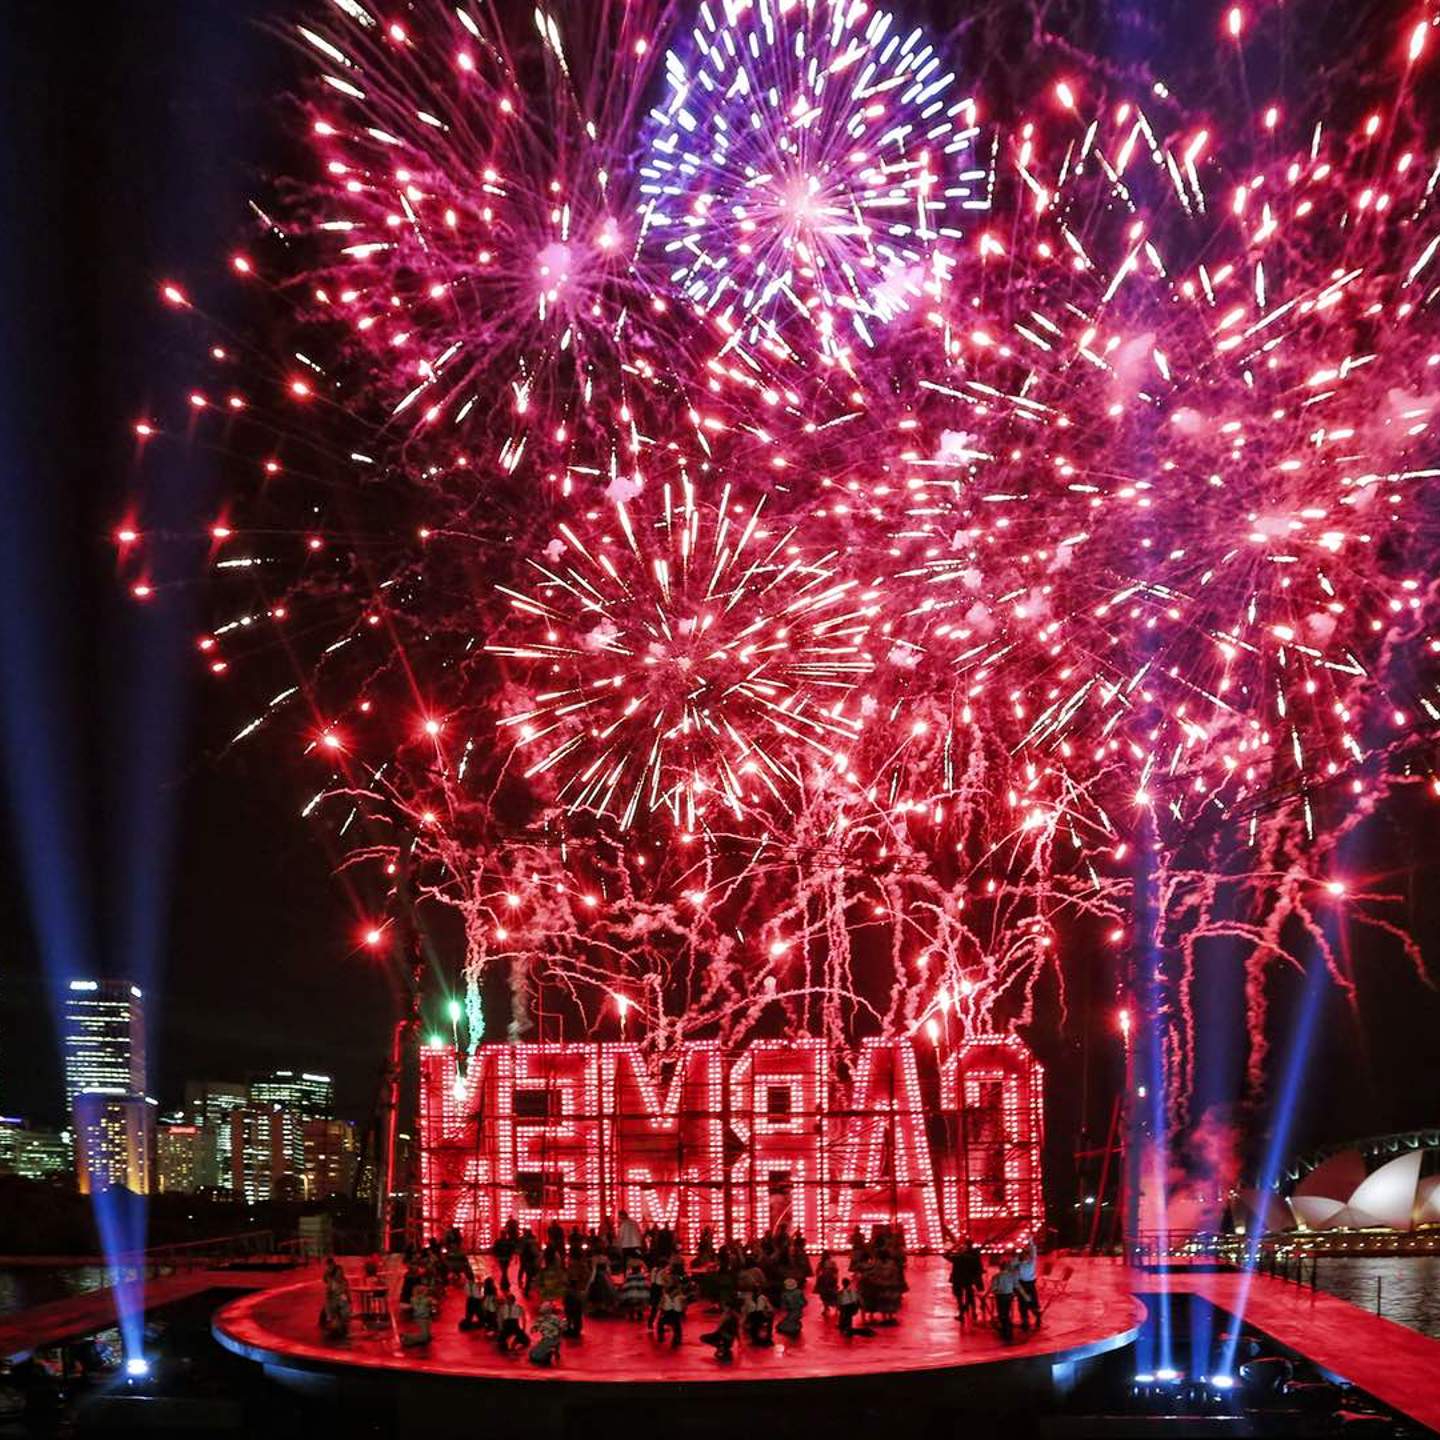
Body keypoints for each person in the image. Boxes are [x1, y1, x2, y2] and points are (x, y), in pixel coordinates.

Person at [700, 1299, 742, 1363]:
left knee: (726, 1360)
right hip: (721, 1335)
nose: (725, 1308)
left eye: (726, 1307)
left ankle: (723, 1349)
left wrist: (739, 1341)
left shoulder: (733, 1317)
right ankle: (721, 1348)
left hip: (727, 1338)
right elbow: (720, 1327)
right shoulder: (725, 1315)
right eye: (725, 1307)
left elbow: (736, 1330)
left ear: (729, 1308)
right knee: (703, 1338)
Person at [319, 1258, 352, 1340]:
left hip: (342, 1304)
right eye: (339, 1273)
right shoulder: (331, 1283)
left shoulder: (344, 1281)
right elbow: (328, 1298)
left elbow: (347, 1293)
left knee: (343, 1320)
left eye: (341, 1273)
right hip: (333, 1305)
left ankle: (342, 1330)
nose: (340, 1275)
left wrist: (349, 1301)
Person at [989, 1256, 1018, 1343]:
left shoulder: (996, 1276)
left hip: (1000, 1296)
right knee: (1007, 1312)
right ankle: (1009, 1331)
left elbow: (993, 1288)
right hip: (1009, 1296)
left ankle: (1005, 1331)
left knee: (1002, 1313)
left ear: (1000, 1267)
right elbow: (1015, 1286)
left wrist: (996, 1291)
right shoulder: (1012, 1276)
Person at [401, 1281, 435, 1348]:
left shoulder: (413, 1299)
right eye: (425, 1291)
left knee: (426, 1334)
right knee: (424, 1336)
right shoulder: (427, 1300)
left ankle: (414, 1338)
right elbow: (433, 1303)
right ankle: (407, 1337)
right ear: (422, 1292)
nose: (427, 1292)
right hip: (424, 1318)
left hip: (420, 1318)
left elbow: (413, 1305)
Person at [529, 1301, 563, 1367]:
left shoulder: (554, 1318)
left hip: (552, 1339)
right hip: (547, 1339)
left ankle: (550, 1351)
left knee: (538, 1357)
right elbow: (535, 1327)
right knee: (533, 1355)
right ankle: (549, 1351)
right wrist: (534, 1328)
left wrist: (558, 1338)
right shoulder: (541, 1319)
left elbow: (560, 1328)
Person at [496, 1285, 530, 1352]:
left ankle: (515, 1341)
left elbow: (523, 1318)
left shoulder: (517, 1307)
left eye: (508, 1300)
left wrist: (523, 1328)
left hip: (514, 1326)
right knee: (500, 1341)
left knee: (526, 1341)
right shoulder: (504, 1308)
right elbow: (500, 1318)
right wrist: (500, 1327)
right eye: (507, 1300)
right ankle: (511, 1342)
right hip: (507, 1326)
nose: (507, 1301)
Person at [1016, 1240, 1041, 1331]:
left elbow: (1016, 1276)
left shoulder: (1019, 1265)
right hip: (1030, 1285)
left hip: (1023, 1286)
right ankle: (1037, 1317)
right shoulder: (1030, 1263)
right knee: (1032, 1302)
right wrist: (1031, 1243)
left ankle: (1026, 1322)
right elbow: (1034, 1254)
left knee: (1023, 1304)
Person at [655, 1280, 686, 1350]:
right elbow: (683, 1304)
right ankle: (677, 1339)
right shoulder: (679, 1295)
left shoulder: (666, 1295)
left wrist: (660, 1308)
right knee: (677, 1326)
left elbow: (660, 1304)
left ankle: (662, 1336)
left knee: (661, 1323)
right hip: (675, 1313)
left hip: (668, 1312)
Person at [815, 1251, 840, 1317]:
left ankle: (826, 1308)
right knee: (832, 1294)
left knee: (824, 1295)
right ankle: (834, 1307)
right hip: (830, 1280)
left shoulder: (821, 1263)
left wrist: (819, 1278)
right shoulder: (831, 1263)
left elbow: (817, 1271)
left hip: (824, 1280)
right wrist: (836, 1278)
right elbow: (836, 1271)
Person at [494, 1221, 518, 1285]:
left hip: (501, 1258)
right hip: (506, 1258)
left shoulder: (498, 1241)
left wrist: (497, 1256)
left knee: (504, 1270)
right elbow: (512, 1249)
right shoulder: (508, 1241)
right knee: (505, 1270)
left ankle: (504, 1283)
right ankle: (505, 1282)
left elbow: (495, 1249)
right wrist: (511, 1255)